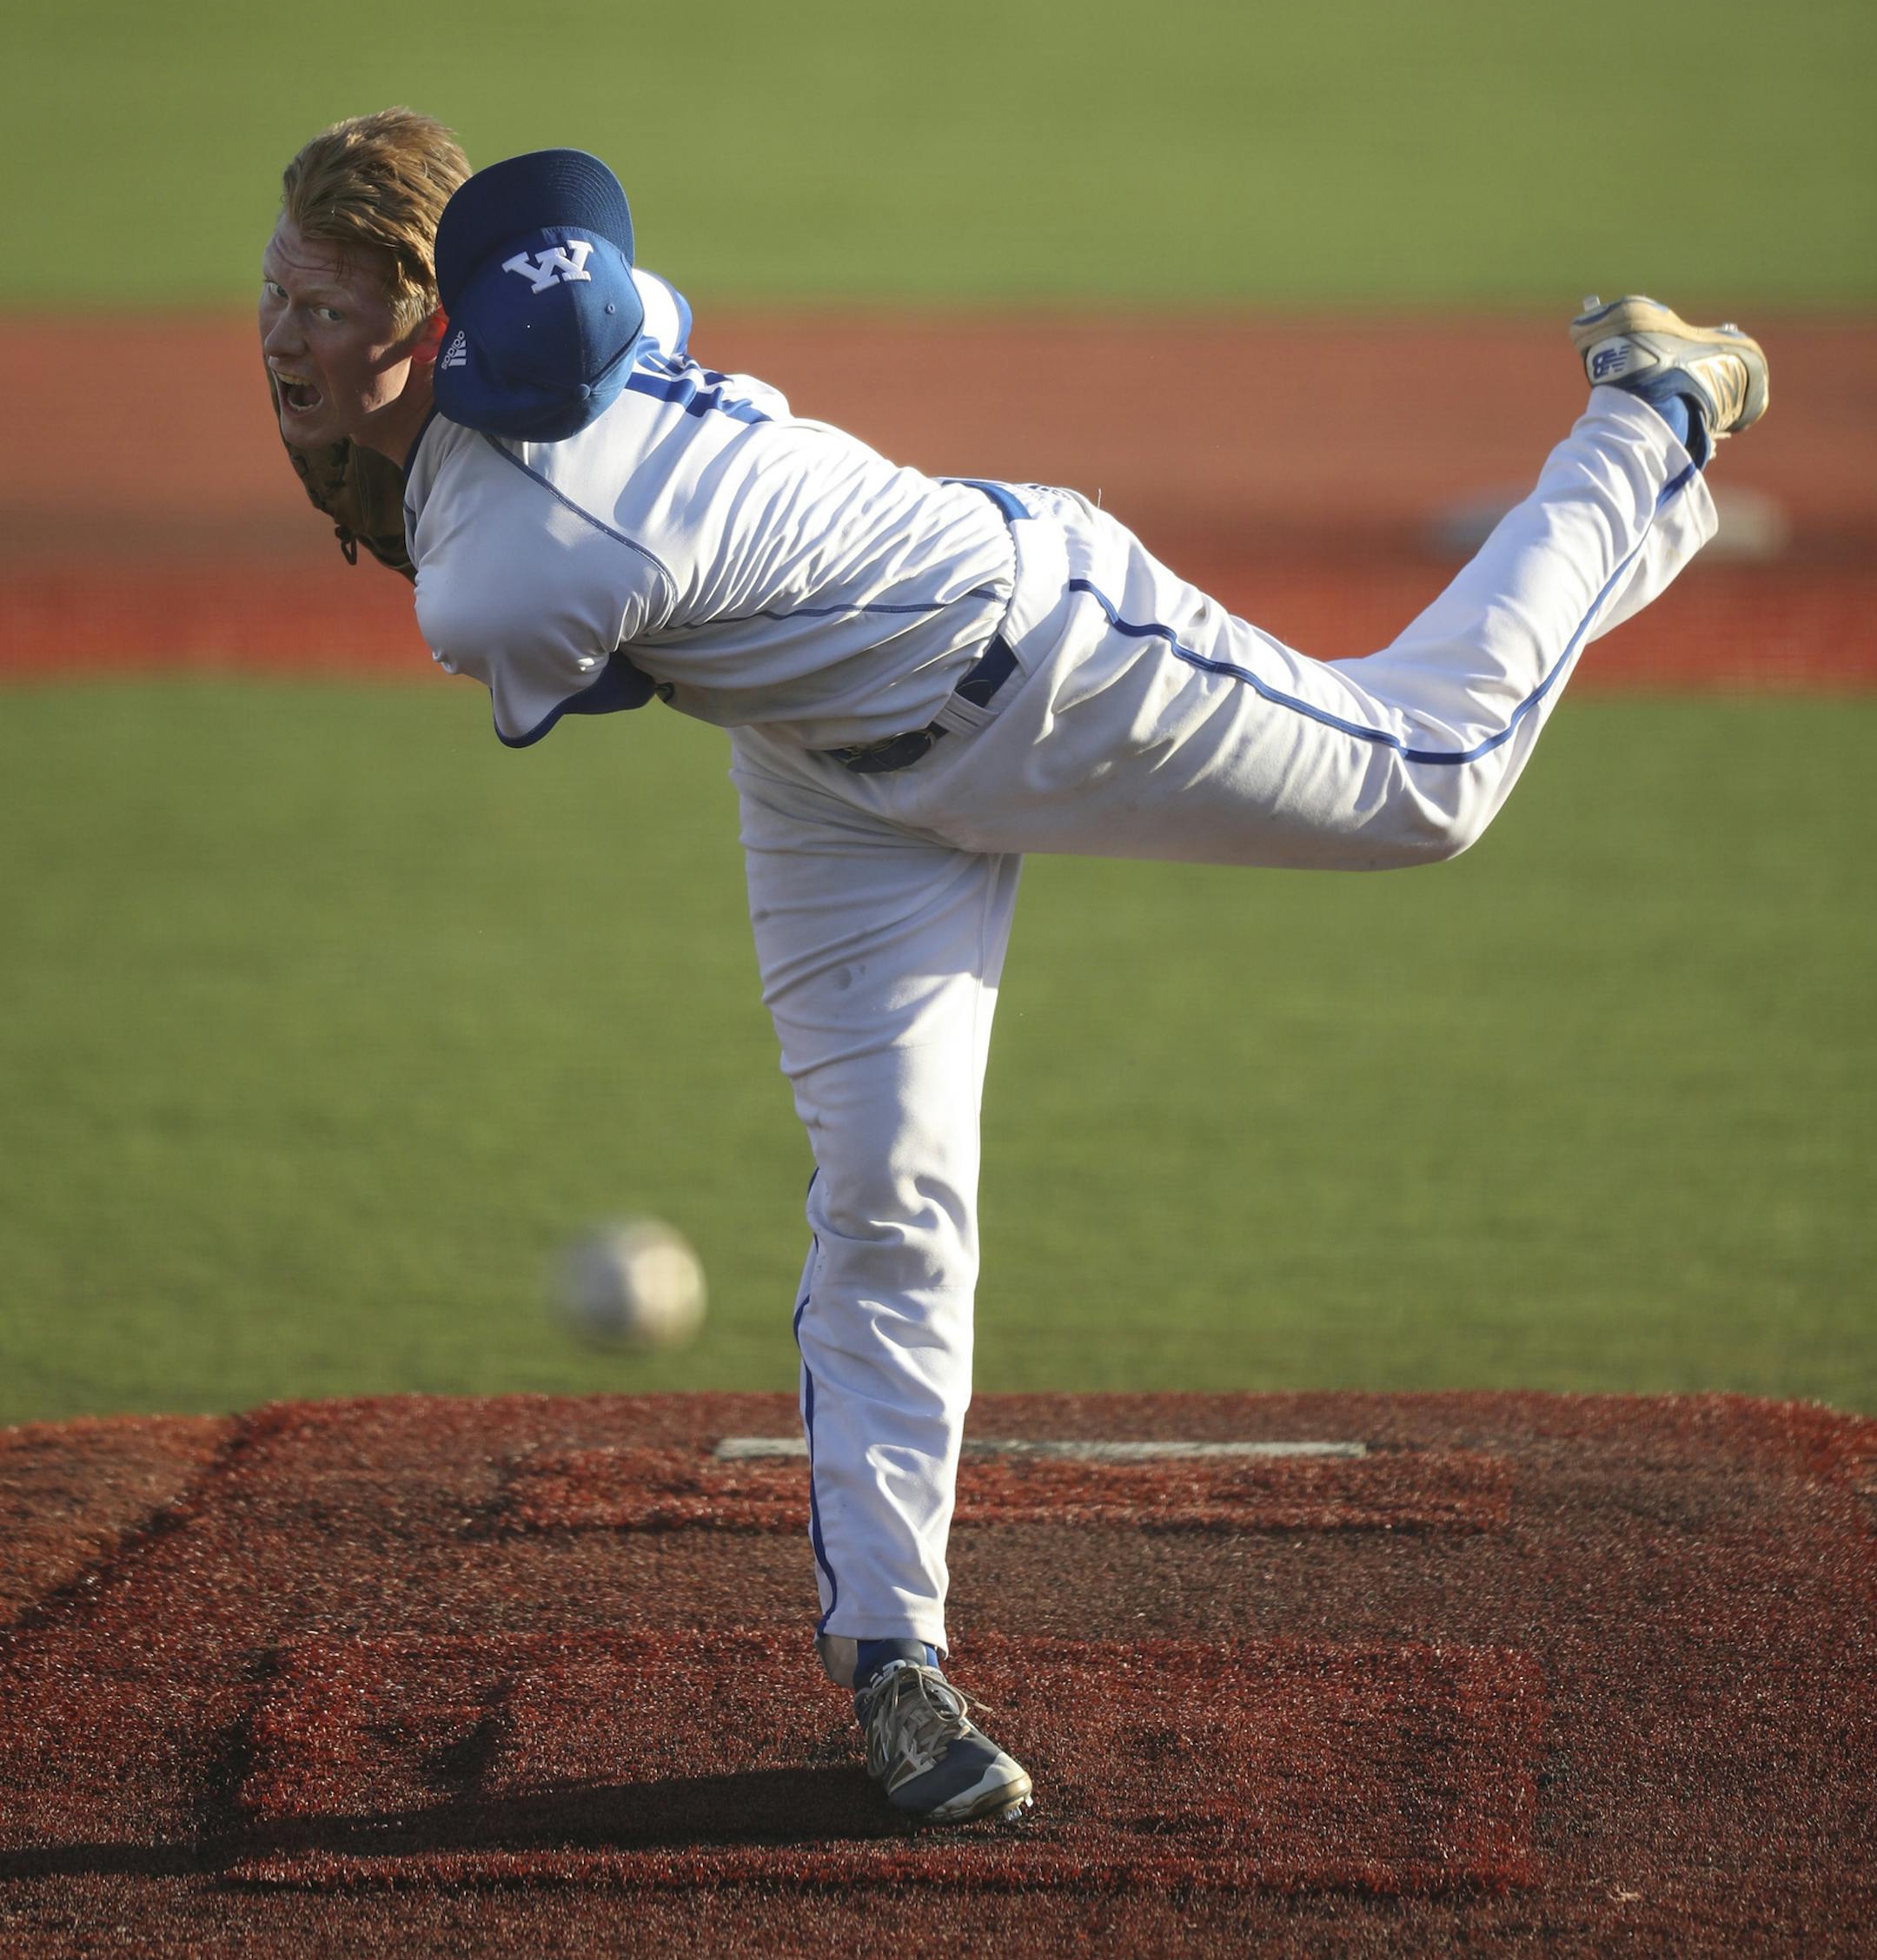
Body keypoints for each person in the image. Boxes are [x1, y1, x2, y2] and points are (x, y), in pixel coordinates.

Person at [261, 109, 1768, 1827]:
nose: (278, 331)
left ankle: (1645, 414)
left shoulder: (498, 578)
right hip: (832, 773)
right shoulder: (576, 345)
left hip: (1036, 645)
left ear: (427, 314)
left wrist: (419, 433)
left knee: (1429, 784)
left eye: (322, 303)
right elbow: (628, 312)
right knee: (890, 1186)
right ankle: (893, 1662)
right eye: (274, 293)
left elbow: (565, 629)